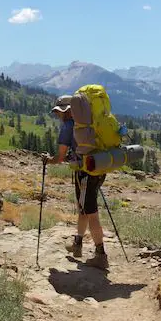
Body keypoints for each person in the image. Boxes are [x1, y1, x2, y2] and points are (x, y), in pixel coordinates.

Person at [42, 95, 109, 270]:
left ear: (69, 111)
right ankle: (77, 244)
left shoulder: (68, 126)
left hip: (85, 172)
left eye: (60, 111)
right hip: (98, 168)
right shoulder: (90, 122)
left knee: (91, 212)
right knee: (84, 208)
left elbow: (60, 157)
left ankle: (101, 255)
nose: (58, 115)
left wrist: (48, 160)